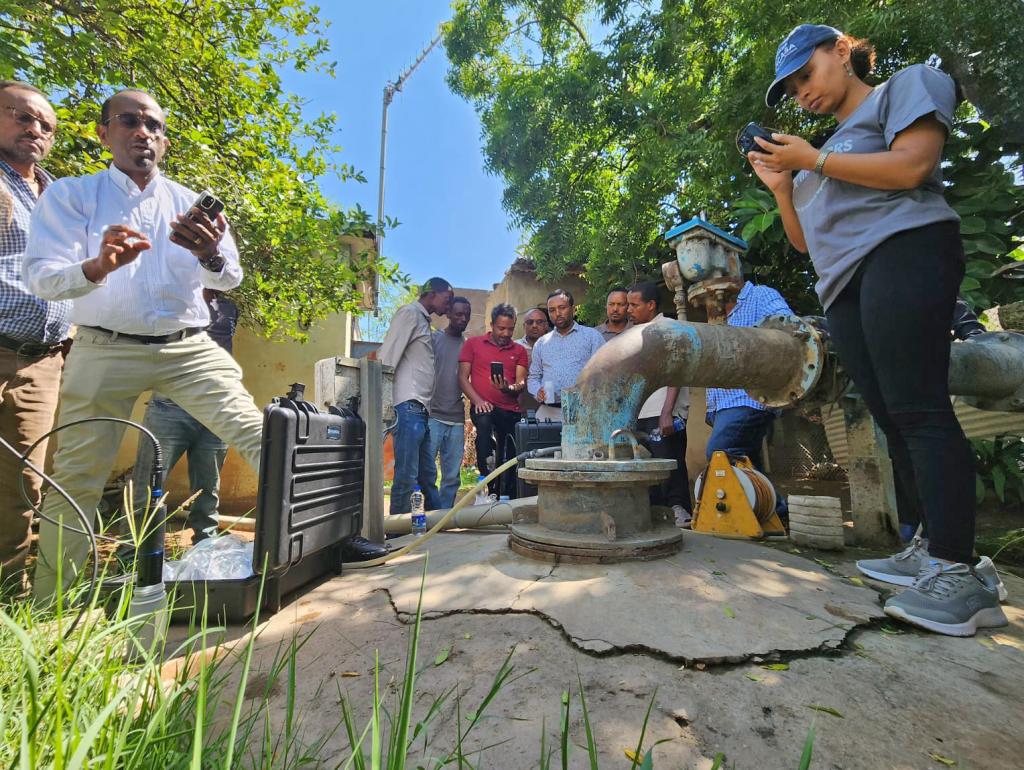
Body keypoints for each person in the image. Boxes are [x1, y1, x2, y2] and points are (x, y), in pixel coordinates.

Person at [749, 24, 1006, 634]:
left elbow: (914, 165)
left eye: (805, 74)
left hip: (905, 251)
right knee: (891, 416)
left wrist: (812, 158)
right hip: (844, 286)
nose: (801, 93)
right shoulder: (816, 165)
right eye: (790, 88)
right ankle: (931, 547)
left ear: (841, 49)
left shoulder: (905, 87)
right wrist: (787, 186)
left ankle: (959, 572)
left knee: (920, 408)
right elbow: (806, 242)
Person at [24, 89, 266, 600]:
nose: (143, 133)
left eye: (153, 126)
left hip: (187, 346)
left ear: (165, 140)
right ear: (104, 133)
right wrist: (96, 267)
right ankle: (50, 607)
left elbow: (230, 279)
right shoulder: (72, 196)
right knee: (78, 477)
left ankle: (323, 548)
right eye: (129, 122)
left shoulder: (188, 202)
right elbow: (42, 278)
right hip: (103, 346)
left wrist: (210, 254)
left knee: (265, 437)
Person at [0, 82, 71, 598]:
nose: (35, 130)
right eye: (22, 117)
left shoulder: (58, 198)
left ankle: (13, 595)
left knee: (22, 482)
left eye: (45, 125)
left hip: (42, 360)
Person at [127, 290, 238, 547]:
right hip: (170, 406)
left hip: (216, 410)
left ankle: (205, 549)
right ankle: (132, 555)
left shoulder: (228, 307)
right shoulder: (168, 301)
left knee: (208, 489)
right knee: (148, 485)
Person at [704, 275, 792, 523]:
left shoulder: (761, 296)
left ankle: (779, 511)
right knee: (748, 464)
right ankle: (771, 514)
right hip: (722, 403)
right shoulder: (716, 311)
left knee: (720, 451)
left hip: (750, 398)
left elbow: (788, 331)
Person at [379, 277, 453, 515]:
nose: (448, 306)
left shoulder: (422, 321)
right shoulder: (409, 314)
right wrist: (384, 403)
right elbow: (387, 358)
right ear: (432, 294)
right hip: (408, 406)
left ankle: (437, 526)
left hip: (420, 409)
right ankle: (396, 533)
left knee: (427, 474)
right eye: (447, 299)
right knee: (407, 474)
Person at [626, 282, 692, 527]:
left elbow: (677, 371)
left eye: (634, 305)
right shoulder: (636, 334)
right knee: (648, 468)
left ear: (651, 305)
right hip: (642, 413)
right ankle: (657, 515)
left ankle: (680, 511)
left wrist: (667, 412)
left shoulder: (669, 329)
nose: (628, 310)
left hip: (664, 412)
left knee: (670, 464)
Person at [459, 304, 528, 498]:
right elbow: (462, 378)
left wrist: (507, 387)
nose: (506, 333)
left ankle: (508, 498)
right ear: (491, 325)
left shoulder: (520, 350)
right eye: (501, 328)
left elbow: (521, 383)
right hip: (484, 408)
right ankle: (488, 486)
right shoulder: (473, 344)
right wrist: (478, 401)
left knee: (509, 455)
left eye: (510, 329)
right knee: (484, 426)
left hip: (510, 410)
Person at [527, 289, 604, 421]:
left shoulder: (592, 336)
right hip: (549, 413)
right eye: (552, 310)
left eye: (562, 308)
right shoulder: (542, 343)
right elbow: (533, 377)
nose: (557, 313)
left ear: (573, 309)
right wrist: (537, 391)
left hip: (583, 412)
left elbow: (604, 372)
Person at [423, 296, 471, 509]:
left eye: (467, 315)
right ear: (449, 313)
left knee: (452, 476)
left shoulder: (468, 346)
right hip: (432, 415)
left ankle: (443, 520)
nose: (463, 318)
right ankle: (429, 516)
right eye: (459, 314)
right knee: (427, 472)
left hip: (457, 418)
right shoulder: (434, 339)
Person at [514, 307, 550, 413]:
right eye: (530, 322)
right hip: (520, 407)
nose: (534, 325)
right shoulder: (515, 347)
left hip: (549, 407)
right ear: (524, 326)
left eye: (539, 322)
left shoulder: (555, 347)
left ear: (546, 325)